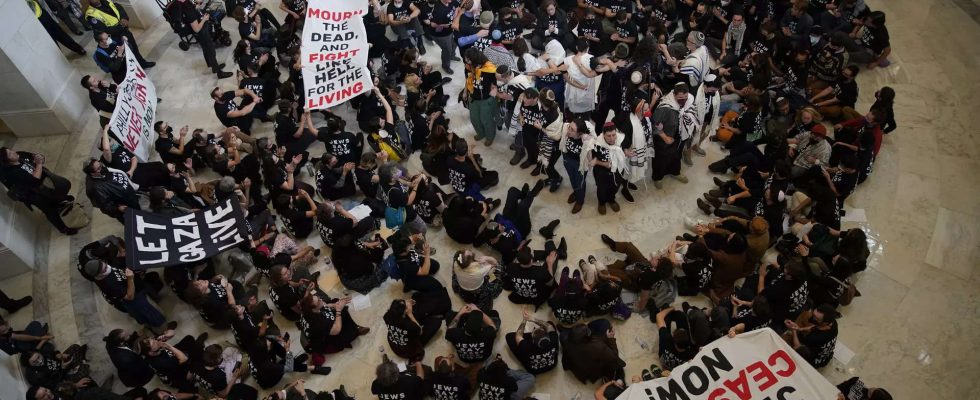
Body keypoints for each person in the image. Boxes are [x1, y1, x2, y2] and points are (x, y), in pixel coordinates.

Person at [0, 147, 76, 234]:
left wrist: (40, 158)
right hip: (33, 195)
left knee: (57, 195)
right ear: (7, 161)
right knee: (50, 211)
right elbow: (34, 181)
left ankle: (60, 202)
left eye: (11, 150)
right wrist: (39, 164)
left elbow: (37, 157)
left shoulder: (20, 154)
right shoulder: (13, 173)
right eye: (10, 154)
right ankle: (63, 229)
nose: (13, 152)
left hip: (43, 185)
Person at [383, 289, 451, 362]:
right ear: (404, 313)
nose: (407, 302)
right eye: (405, 304)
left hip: (395, 344)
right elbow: (420, 330)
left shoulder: (387, 315)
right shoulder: (409, 325)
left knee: (416, 304)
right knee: (436, 322)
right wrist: (410, 314)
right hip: (408, 350)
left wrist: (406, 305)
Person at [85, 0, 154, 68]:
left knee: (134, 48)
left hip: (124, 31)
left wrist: (124, 18)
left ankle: (142, 63)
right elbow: (104, 30)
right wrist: (121, 26)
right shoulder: (91, 14)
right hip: (113, 38)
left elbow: (119, 8)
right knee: (123, 55)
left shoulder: (106, 1)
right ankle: (130, 69)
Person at [651, 83, 695, 188]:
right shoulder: (664, 108)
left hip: (679, 134)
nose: (683, 100)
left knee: (676, 156)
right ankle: (658, 177)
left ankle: (675, 172)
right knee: (660, 158)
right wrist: (665, 137)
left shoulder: (688, 101)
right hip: (664, 136)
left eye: (685, 97)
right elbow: (655, 125)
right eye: (680, 98)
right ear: (674, 95)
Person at [175, 0, 233, 78]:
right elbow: (196, 29)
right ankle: (219, 73)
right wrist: (204, 19)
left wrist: (196, 7)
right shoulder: (188, 10)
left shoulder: (180, 3)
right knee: (211, 50)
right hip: (201, 32)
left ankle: (212, 65)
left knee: (206, 48)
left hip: (200, 32)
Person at [299, 293, 370, 355]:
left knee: (335, 300)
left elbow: (325, 305)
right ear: (313, 309)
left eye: (318, 298)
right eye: (318, 301)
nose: (321, 299)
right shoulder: (317, 322)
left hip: (321, 332)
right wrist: (338, 310)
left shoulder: (307, 311)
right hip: (326, 342)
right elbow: (336, 330)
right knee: (343, 313)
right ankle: (355, 331)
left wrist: (336, 305)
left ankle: (354, 327)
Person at [560, 321, 625, 383]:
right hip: (589, 371)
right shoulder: (599, 347)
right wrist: (611, 339)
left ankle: (566, 330)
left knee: (563, 334)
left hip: (578, 366)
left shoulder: (567, 341)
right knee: (605, 323)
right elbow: (614, 358)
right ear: (588, 337)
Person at [82, 158, 140, 223]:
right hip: (126, 209)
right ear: (92, 174)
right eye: (98, 168)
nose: (102, 167)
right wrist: (118, 209)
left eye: (100, 164)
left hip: (131, 198)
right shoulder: (96, 189)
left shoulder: (102, 172)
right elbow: (106, 207)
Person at [559, 119, 596, 214]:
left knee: (580, 182)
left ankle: (580, 201)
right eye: (569, 127)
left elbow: (594, 152)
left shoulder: (586, 141)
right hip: (568, 160)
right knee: (572, 178)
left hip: (580, 164)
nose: (568, 130)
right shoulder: (566, 131)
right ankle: (576, 192)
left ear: (579, 133)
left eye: (572, 130)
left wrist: (593, 160)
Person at [786, 303, 839, 368]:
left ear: (825, 322)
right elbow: (816, 326)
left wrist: (793, 330)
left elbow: (798, 347)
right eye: (813, 314)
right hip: (825, 355)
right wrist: (799, 329)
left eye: (816, 318)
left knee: (785, 339)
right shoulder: (833, 323)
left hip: (811, 361)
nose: (813, 318)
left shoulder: (814, 338)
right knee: (805, 315)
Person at [506, 310, 559, 375]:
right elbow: (548, 326)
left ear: (532, 340)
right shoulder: (553, 338)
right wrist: (533, 319)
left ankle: (532, 335)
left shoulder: (526, 346)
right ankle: (536, 334)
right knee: (550, 323)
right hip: (552, 365)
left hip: (533, 370)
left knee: (509, 336)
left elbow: (518, 335)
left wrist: (524, 320)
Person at [464, 48, 498, 146]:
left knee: (486, 120)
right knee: (474, 118)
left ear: (475, 59)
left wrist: (493, 95)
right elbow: (468, 78)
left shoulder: (490, 69)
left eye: (468, 59)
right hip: (473, 97)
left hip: (486, 99)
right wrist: (465, 91)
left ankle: (490, 136)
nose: (466, 61)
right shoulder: (469, 66)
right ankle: (481, 133)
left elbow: (497, 84)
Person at [427, 0, 459, 74]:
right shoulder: (439, 10)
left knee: (454, 43)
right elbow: (433, 24)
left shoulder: (451, 1)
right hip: (440, 34)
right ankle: (445, 66)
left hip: (449, 30)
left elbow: (457, 7)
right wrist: (445, 25)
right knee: (447, 50)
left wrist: (454, 17)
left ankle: (452, 55)